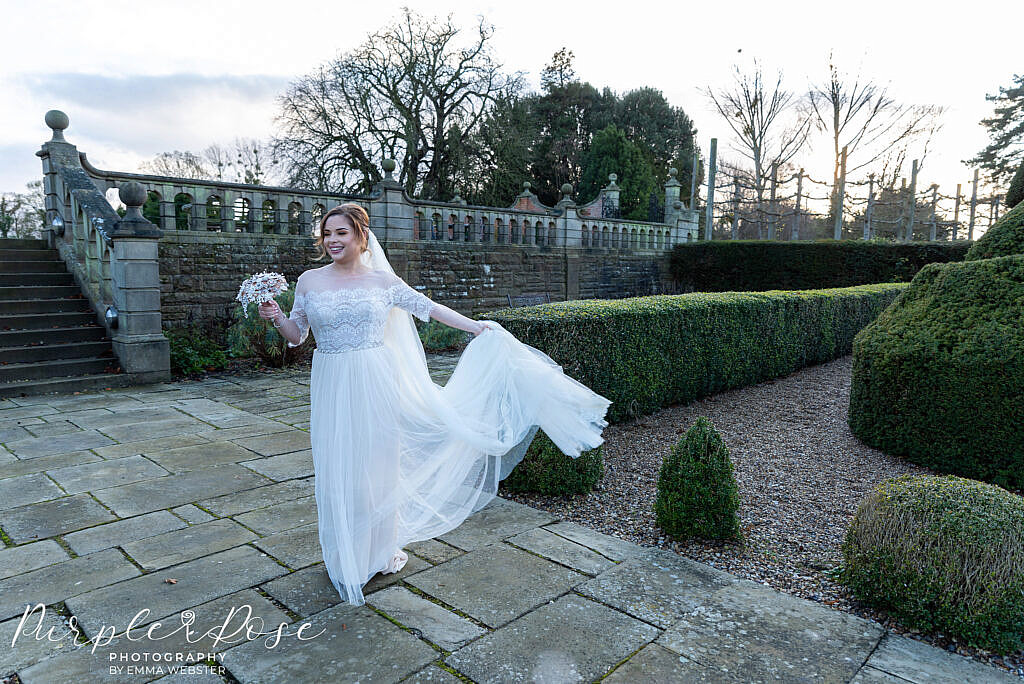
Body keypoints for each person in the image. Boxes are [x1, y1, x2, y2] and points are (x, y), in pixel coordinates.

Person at [258, 203, 610, 606]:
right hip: (332, 381)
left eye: (342, 232)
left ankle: (374, 553)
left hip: (375, 380)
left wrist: (476, 326)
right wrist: (276, 316)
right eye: (328, 233)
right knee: (339, 465)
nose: (333, 240)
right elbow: (297, 335)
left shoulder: (382, 281)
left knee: (377, 464)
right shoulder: (309, 281)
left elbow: (428, 308)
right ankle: (345, 555)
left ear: (361, 235)